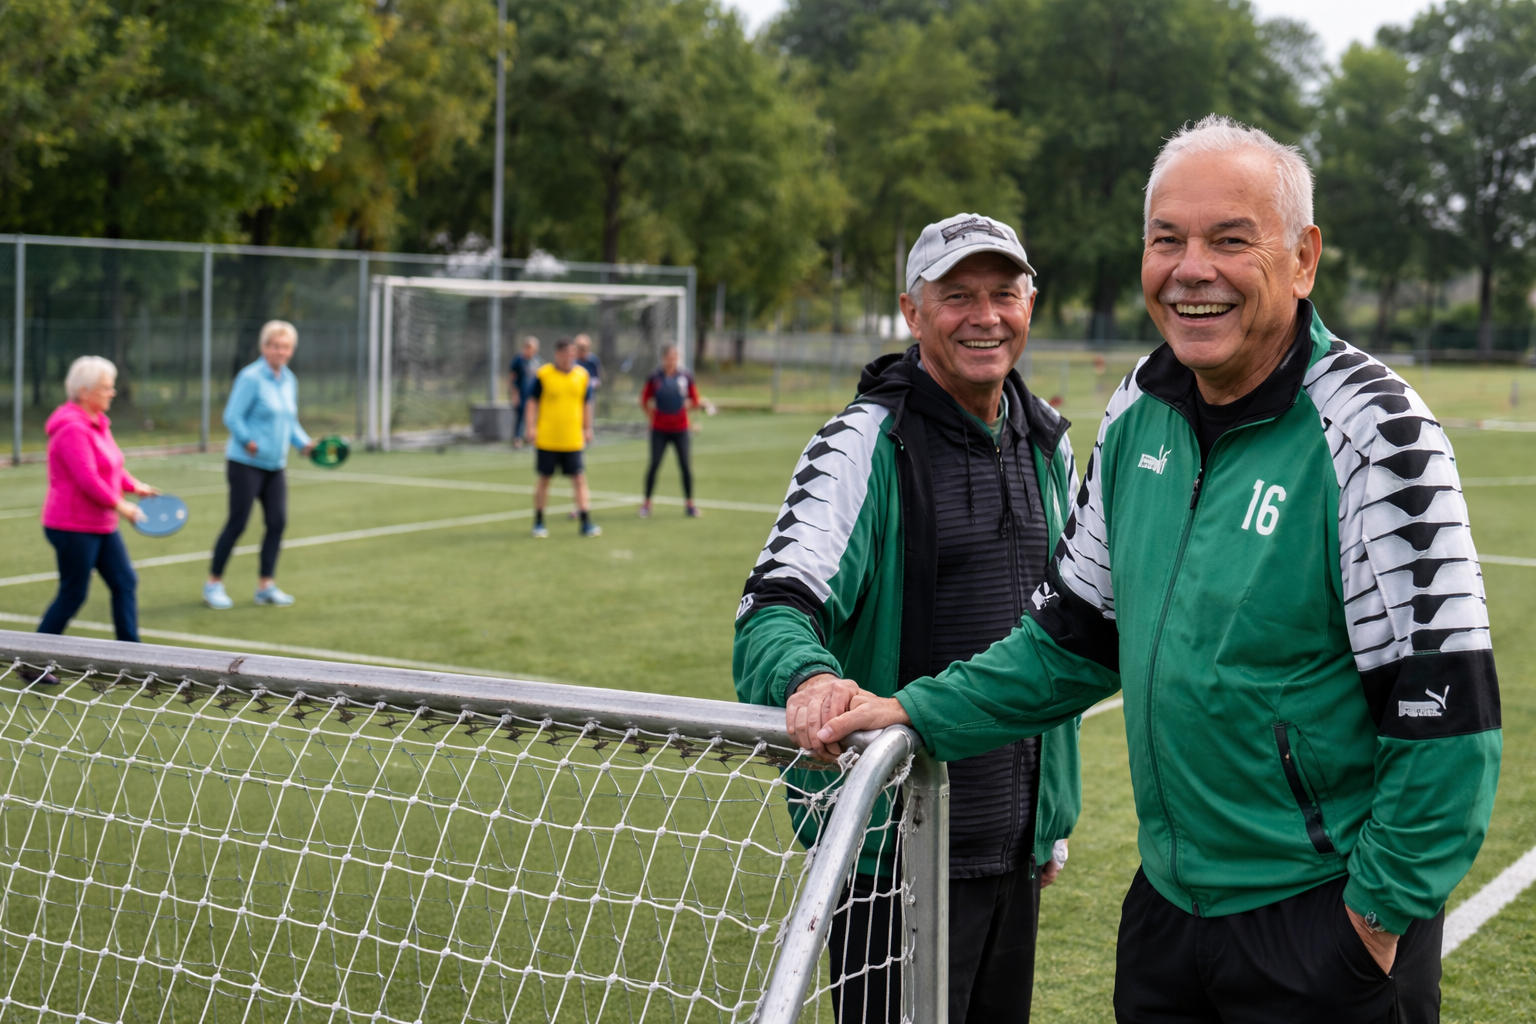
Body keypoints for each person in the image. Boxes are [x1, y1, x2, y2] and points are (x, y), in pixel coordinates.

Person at [814, 117, 1501, 1024]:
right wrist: (915, 708)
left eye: (1229, 239)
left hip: (1324, 927)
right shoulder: (1140, 406)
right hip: (1169, 916)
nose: (1191, 269)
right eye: (1166, 239)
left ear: (1302, 259)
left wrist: (1371, 922)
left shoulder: (1379, 432)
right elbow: (1068, 641)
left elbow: (1446, 715)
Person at [733, 212, 1083, 1024]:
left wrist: (1048, 825)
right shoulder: (862, 442)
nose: (985, 315)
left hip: (1010, 857)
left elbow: (1066, 631)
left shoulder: (1049, 445)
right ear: (912, 311)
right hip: (892, 860)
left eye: (1004, 292)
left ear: (1032, 303)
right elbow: (772, 606)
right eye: (957, 295)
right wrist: (809, 676)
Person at [36, 356, 159, 649]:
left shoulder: (97, 422)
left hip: (99, 524)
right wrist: (123, 506)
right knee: (73, 594)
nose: (112, 393)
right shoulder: (72, 428)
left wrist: (134, 487)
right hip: (72, 525)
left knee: (124, 581)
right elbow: (88, 480)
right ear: (85, 392)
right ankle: (31, 661)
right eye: (106, 387)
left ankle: (131, 654)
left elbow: (111, 465)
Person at [204, 320, 314, 609]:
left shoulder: (289, 380)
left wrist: (304, 443)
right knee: (237, 523)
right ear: (264, 347)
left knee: (277, 522)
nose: (280, 351)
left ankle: (265, 586)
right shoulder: (251, 377)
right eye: (275, 345)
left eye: (286, 346)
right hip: (245, 463)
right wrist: (248, 440)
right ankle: (213, 584)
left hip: (275, 465)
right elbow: (232, 416)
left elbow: (289, 422)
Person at [526, 336, 600, 538]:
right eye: (566, 354)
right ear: (557, 354)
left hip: (573, 439)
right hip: (548, 439)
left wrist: (588, 428)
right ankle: (539, 522)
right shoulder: (544, 375)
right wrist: (530, 427)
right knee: (544, 479)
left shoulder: (582, 375)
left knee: (579, 479)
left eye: (572, 354)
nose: (569, 358)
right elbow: (532, 402)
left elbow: (587, 403)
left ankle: (586, 522)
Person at [638, 343, 714, 518]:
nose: (672, 360)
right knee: (654, 465)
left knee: (685, 466)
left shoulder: (685, 376)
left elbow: (695, 399)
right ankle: (647, 504)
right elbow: (644, 399)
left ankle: (689, 504)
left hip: (680, 429)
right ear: (663, 358)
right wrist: (652, 417)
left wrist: (689, 410)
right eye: (669, 357)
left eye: (675, 357)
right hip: (659, 429)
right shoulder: (654, 377)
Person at [508, 336, 540, 449]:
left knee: (533, 416)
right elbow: (513, 378)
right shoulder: (518, 360)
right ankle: (517, 438)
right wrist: (514, 394)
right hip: (521, 393)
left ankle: (531, 436)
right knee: (520, 416)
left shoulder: (536, 361)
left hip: (533, 395)